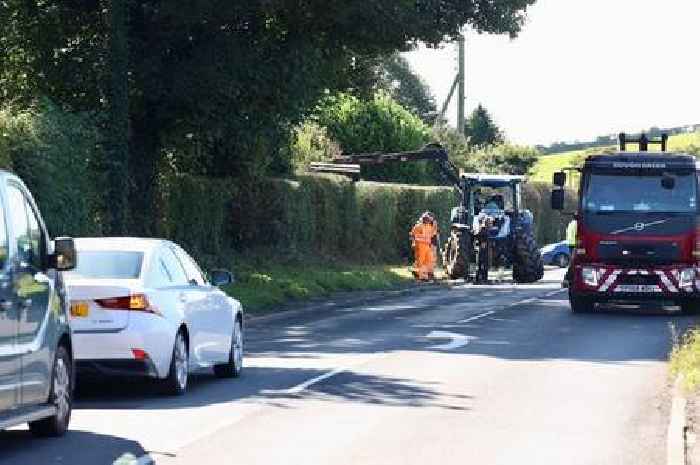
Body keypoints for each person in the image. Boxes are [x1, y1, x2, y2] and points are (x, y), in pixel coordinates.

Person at [410, 212, 438, 281]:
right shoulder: (419, 226)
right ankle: (421, 276)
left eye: (429, 219)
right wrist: (414, 243)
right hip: (420, 245)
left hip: (427, 245)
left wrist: (435, 226)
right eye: (427, 219)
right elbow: (413, 234)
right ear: (423, 219)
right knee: (421, 261)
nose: (428, 220)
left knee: (429, 260)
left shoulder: (429, 226)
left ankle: (422, 274)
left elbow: (432, 234)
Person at [564, 218, 577, 286]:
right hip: (575, 244)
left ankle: (569, 279)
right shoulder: (577, 224)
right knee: (573, 263)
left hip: (570, 244)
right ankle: (567, 279)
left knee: (572, 262)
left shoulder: (571, 223)